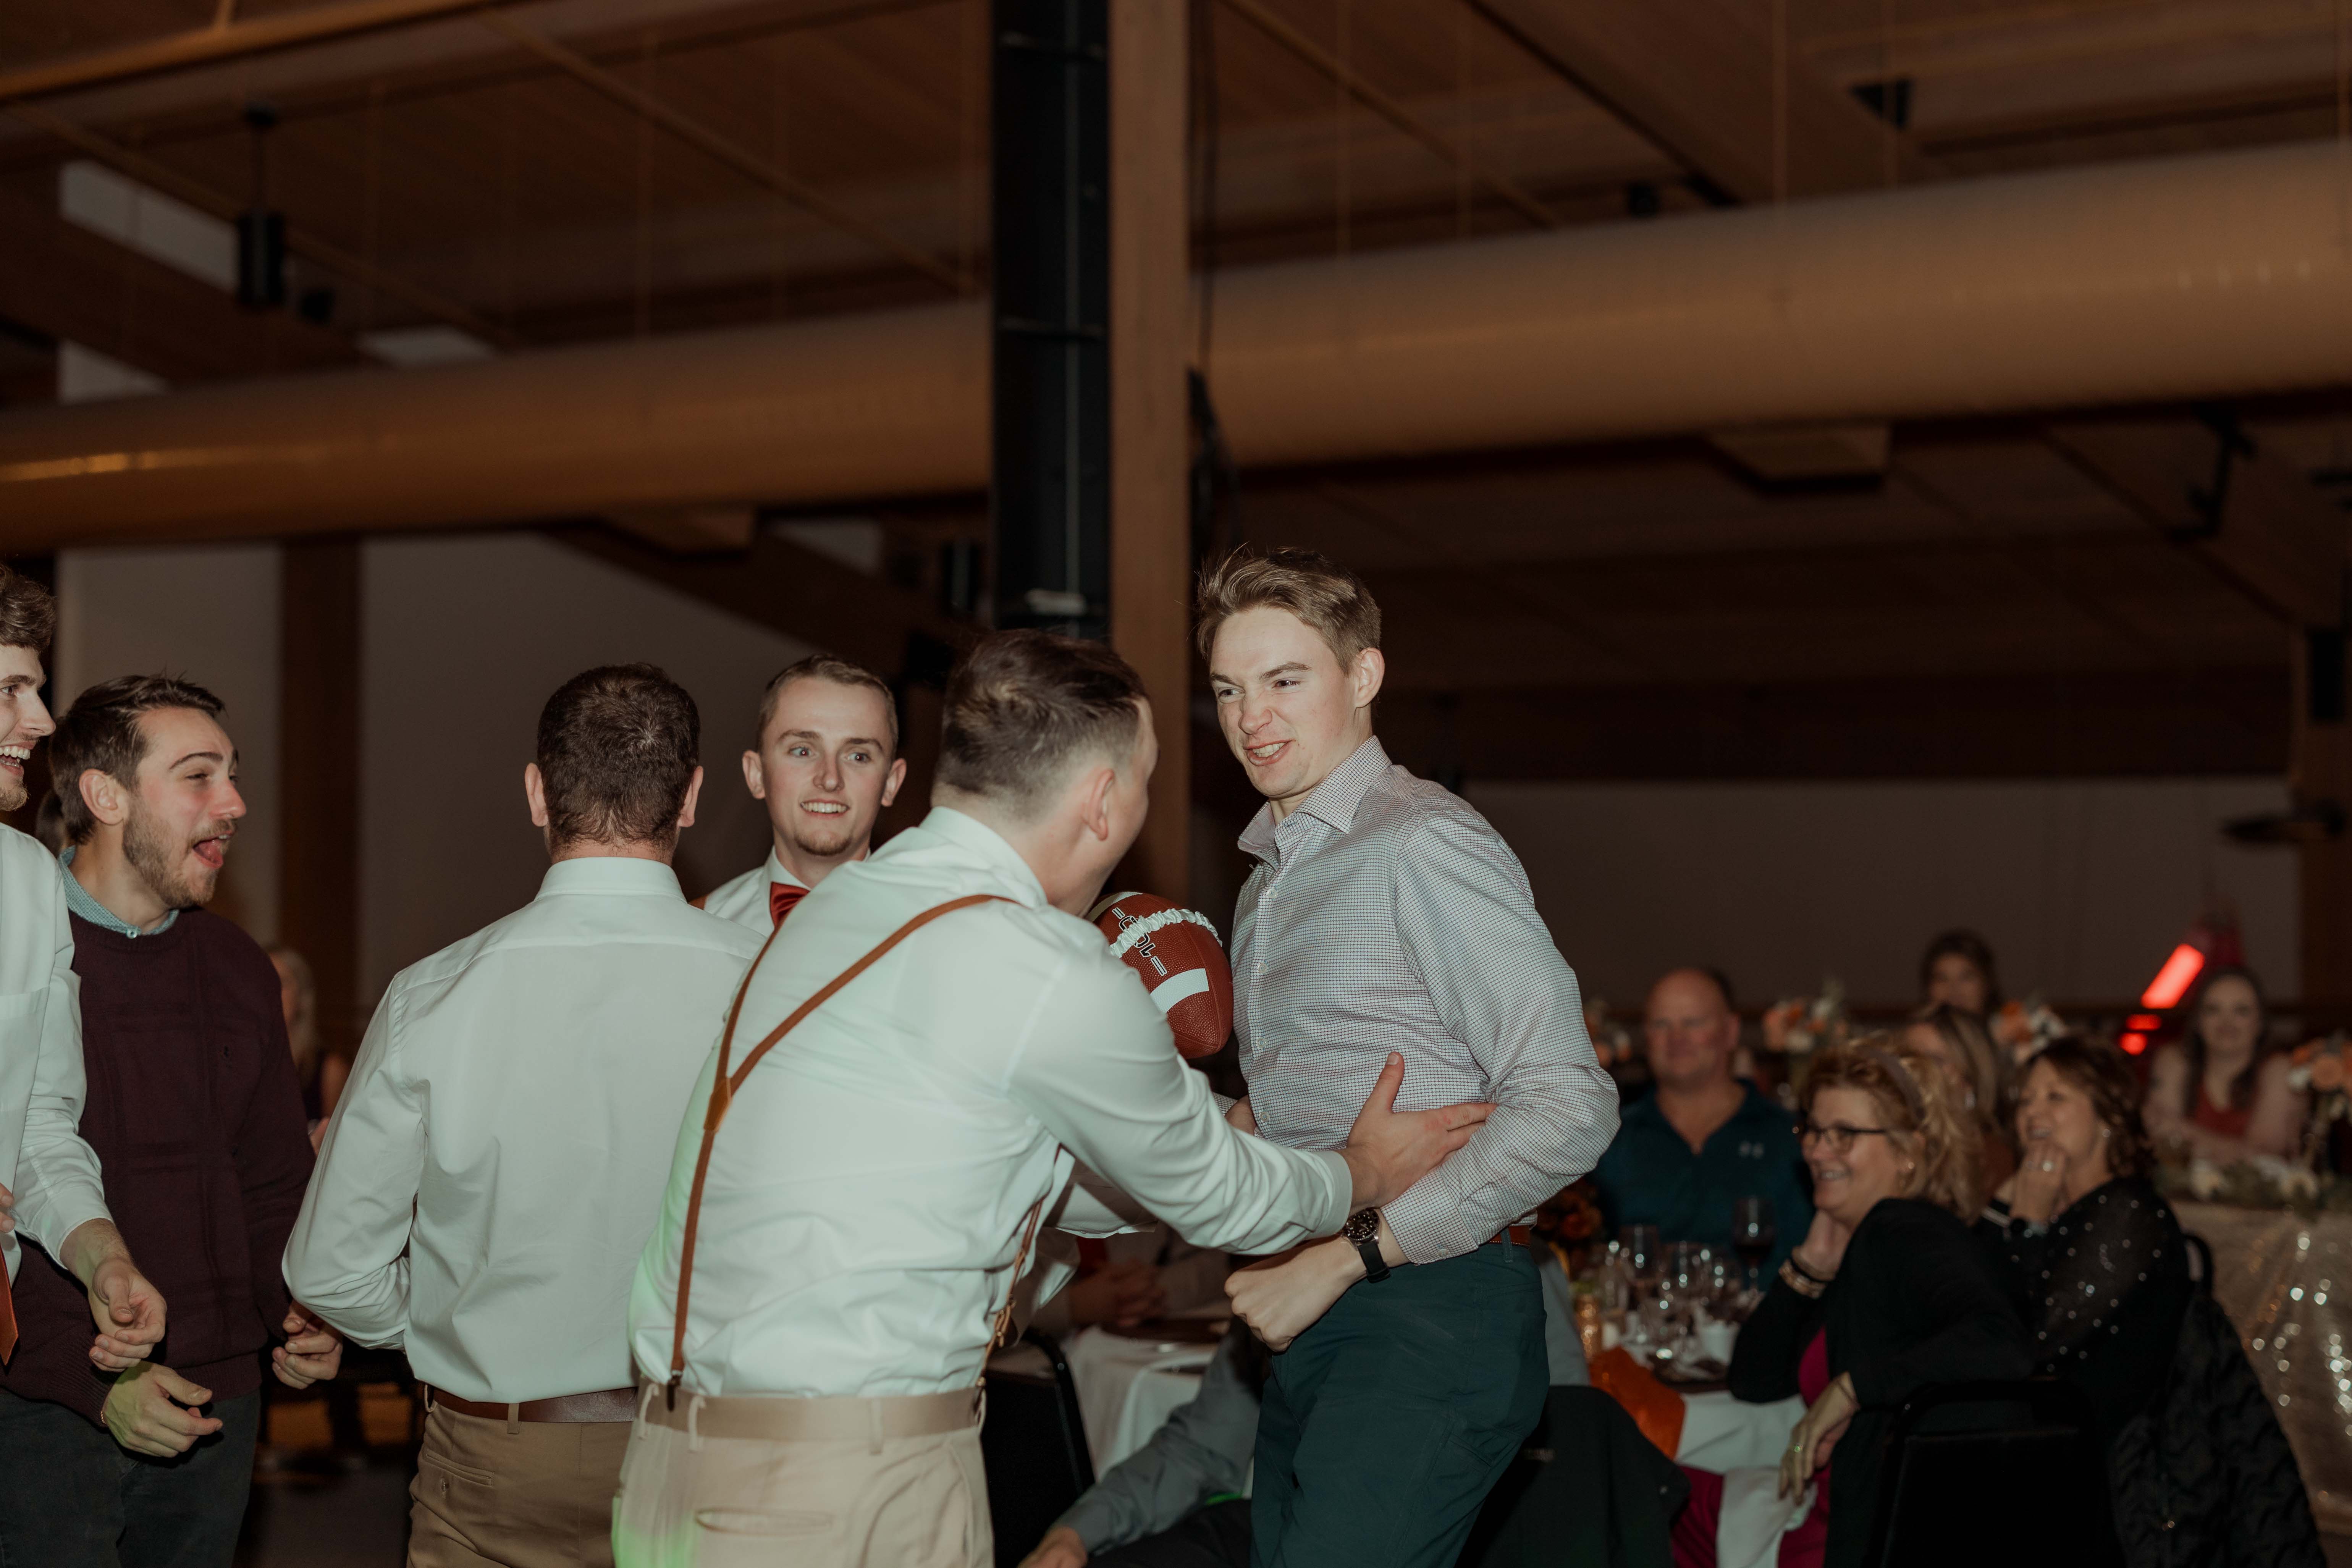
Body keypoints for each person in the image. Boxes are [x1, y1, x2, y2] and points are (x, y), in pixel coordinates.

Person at [618, 629, 1487, 1568]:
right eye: (1144, 782)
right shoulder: (1036, 960)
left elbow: (980, 1156)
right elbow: (1219, 1199)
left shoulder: (840, 909)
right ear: (1103, 800)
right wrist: (1361, 1169)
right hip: (835, 1482)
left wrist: (1216, 1130)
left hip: (672, 1466)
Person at [1191, 546, 1619, 1568]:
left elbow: (1570, 1102)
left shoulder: (1417, 840)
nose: (1251, 716)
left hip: (1428, 1303)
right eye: (1228, 689)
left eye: (1283, 680)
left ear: (1363, 675)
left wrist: (1351, 1251)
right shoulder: (1265, 880)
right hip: (1312, 1308)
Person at [285, 665, 767, 1568]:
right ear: (694, 796)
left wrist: (449, 1318)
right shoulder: (770, 989)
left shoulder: (434, 992)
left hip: (497, 1453)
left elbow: (331, 1268)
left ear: (537, 793)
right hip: (707, 1449)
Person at [0, 673, 337, 1568]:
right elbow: (19, 1178)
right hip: (44, 1403)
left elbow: (271, 1180)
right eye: (198, 776)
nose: (235, 803)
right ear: (106, 797)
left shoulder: (238, 965)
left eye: (233, 774)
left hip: (218, 1402)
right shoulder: (19, 943)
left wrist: (302, 1309)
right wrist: (92, 1378)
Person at [1677, 1036, 2027, 1568]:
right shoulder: (1868, 1245)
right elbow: (1754, 1380)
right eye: (1814, 1130)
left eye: (1845, 1134)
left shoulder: (1903, 1229)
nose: (1818, 1151)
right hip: (1833, 1515)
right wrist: (1808, 1267)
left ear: (1908, 1152)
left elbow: (2001, 1342)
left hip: (1869, 1538)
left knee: (1637, 1483)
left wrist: (1852, 1388)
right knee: (1648, 1480)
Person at [1981, 1036, 2323, 1565]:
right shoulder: (2055, 1212)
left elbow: (2032, 1339)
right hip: (2049, 1453)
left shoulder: (2127, 1210)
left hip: (2113, 1486)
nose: (2033, 1111)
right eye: (2025, 1099)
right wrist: (2005, 1209)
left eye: (2055, 1096)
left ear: (2107, 1116)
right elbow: (1971, 1308)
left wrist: (2025, 1223)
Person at [0, 566, 171, 1496]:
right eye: (10, 690)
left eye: (36, 688)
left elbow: (36, 1122)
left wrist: (103, 1255)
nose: (39, 719)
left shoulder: (29, 882)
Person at [1592, 968, 1811, 1274]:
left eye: (1693, 1023)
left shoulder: (1790, 1138)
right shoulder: (1608, 1141)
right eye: (1661, 1024)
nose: (1676, 1038)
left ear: (1731, 1031)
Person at [695, 653, 907, 931]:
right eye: (803, 751)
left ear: (891, 782)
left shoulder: (937, 932)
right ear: (756, 775)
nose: (830, 779)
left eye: (858, 756)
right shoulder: (699, 926)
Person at [2143, 966, 2303, 1162]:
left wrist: (2185, 1133)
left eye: (2241, 1011)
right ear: (2198, 1021)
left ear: (2260, 1022)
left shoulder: (2280, 1069)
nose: (2226, 1022)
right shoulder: (2175, 1060)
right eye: (2213, 1010)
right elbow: (2162, 1141)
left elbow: (2264, 1159)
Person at [1903, 1004, 2015, 1191]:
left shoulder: (1989, 1156)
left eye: (1934, 1060)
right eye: (1907, 1058)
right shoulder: (1889, 1141)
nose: (1914, 1071)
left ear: (1970, 1076)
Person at [267, 944, 347, 1145]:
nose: (268, 990)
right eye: (262, 980)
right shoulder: (238, 1065)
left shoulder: (330, 1070)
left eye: (281, 982)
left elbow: (340, 1149)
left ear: (302, 997)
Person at [1917, 928, 2000, 1018]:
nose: (1954, 989)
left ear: (1987, 983)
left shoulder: (2006, 1024)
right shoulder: (1914, 1025)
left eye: (1966, 977)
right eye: (1942, 979)